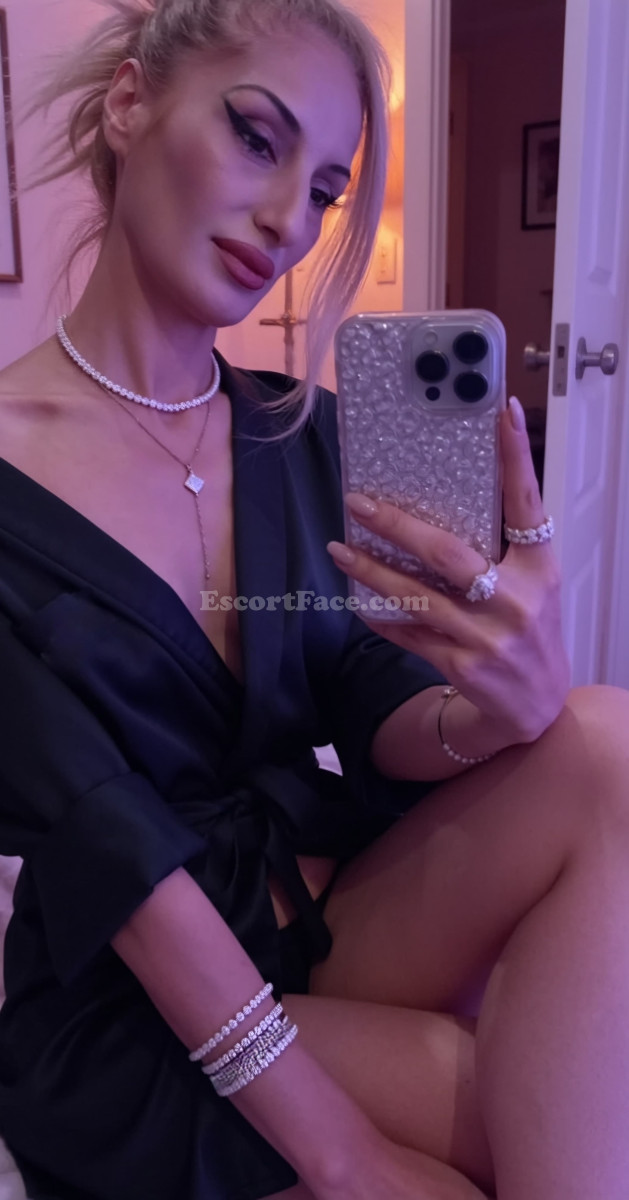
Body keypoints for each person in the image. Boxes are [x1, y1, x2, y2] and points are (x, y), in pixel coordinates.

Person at [0, 1, 628, 1198]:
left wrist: (488, 711)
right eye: (256, 137)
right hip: (128, 990)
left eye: (326, 192)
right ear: (130, 103)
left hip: (303, 903)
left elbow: (364, 688)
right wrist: (347, 1157)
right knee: (505, 1134)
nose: (289, 220)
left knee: (602, 739)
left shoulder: (303, 434)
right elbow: (112, 855)